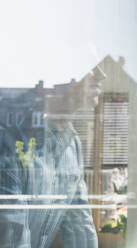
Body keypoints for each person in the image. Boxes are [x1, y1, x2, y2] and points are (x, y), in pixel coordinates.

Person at [0, 67, 105, 248]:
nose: (101, 74)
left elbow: (80, 225)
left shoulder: (72, 145)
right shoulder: (10, 141)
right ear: (56, 79)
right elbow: (12, 240)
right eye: (89, 66)